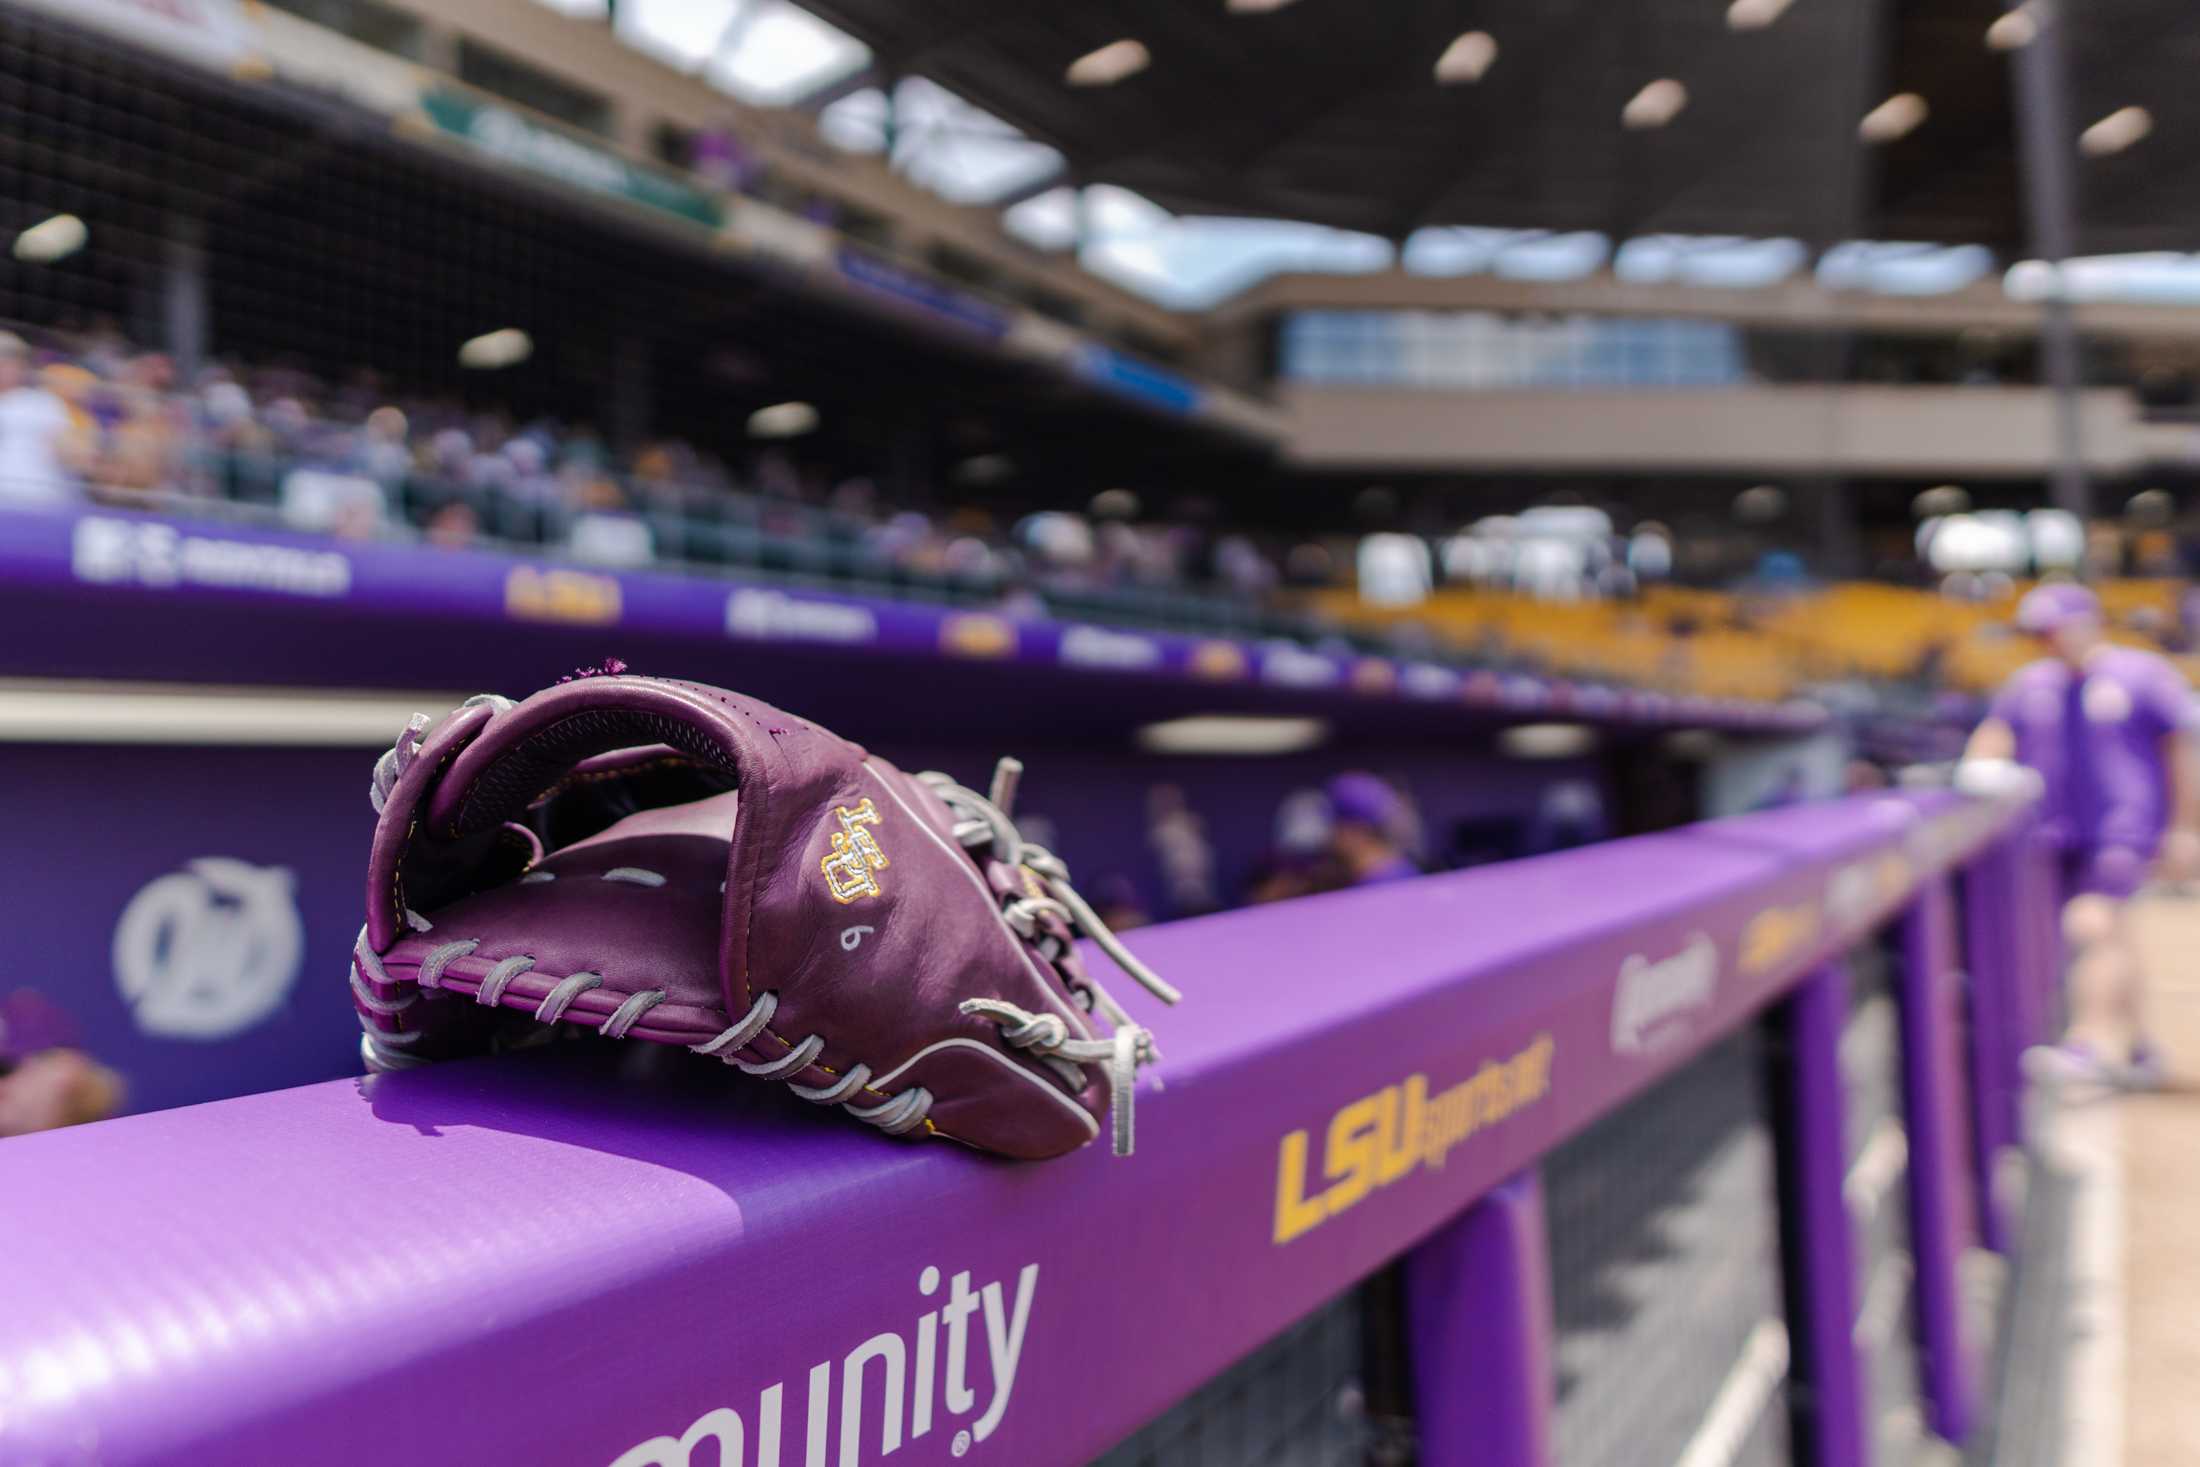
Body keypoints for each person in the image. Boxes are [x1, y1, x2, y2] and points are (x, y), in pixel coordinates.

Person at [1961, 581, 2200, 1089]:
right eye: (2038, 634)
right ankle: (2139, 1050)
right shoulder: (2032, 683)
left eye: (2052, 630)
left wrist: (2184, 828)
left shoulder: (2141, 674)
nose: (2046, 642)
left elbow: (2181, 751)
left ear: (2085, 623)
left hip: (2123, 828)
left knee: (2089, 927)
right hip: (2055, 832)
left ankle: (2084, 1043)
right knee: (2111, 937)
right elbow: (1996, 733)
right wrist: (1977, 769)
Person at [0, 333, 81, 506]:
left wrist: (72, 451)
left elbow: (67, 448)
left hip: (37, 500)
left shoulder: (43, 402)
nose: (4, 366)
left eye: (9, 361)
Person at [1325, 772, 1422, 885]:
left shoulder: (1387, 883)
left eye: (1335, 826)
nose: (1329, 836)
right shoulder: (1405, 871)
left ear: (1356, 831)